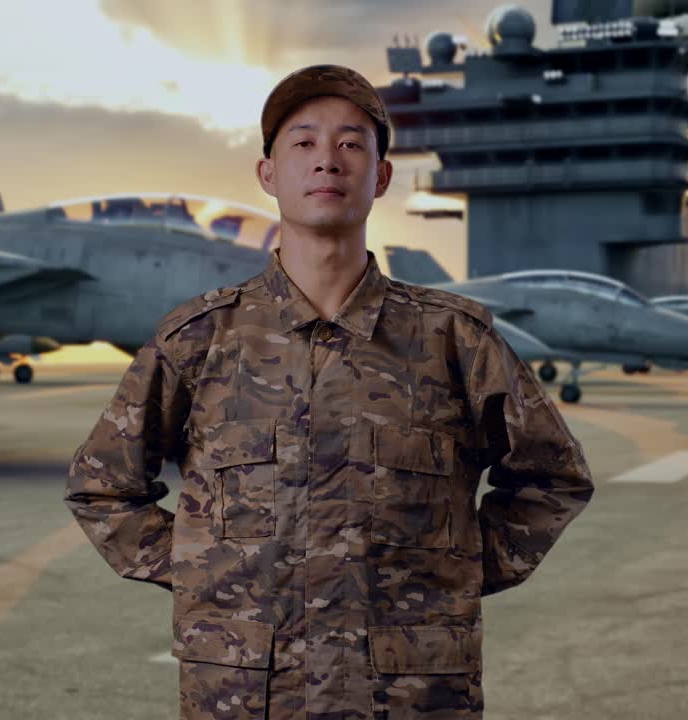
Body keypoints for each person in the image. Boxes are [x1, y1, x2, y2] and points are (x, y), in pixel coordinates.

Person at [64, 64, 595, 720]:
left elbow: (555, 479)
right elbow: (101, 488)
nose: (327, 161)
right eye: (304, 142)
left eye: (350, 144)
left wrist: (456, 568)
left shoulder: (454, 340)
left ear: (380, 177)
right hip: (244, 692)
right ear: (268, 175)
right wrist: (203, 568)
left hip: (412, 694)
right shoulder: (199, 339)